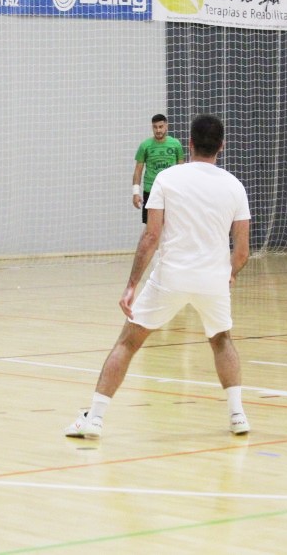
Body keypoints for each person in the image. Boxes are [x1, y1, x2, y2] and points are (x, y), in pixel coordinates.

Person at [67, 114, 251, 440]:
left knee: (128, 342)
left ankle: (94, 419)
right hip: (212, 281)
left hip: (171, 278)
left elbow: (151, 237)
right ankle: (237, 415)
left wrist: (130, 286)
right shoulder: (235, 186)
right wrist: (229, 274)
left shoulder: (167, 179)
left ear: (190, 144)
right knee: (221, 339)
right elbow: (241, 252)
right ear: (222, 146)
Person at [132, 113, 184, 224]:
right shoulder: (145, 146)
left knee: (171, 225)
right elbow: (138, 170)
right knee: (151, 227)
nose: (158, 130)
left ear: (166, 126)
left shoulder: (176, 144)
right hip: (151, 190)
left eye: (161, 127)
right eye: (155, 127)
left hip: (170, 190)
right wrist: (135, 193)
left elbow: (181, 169)